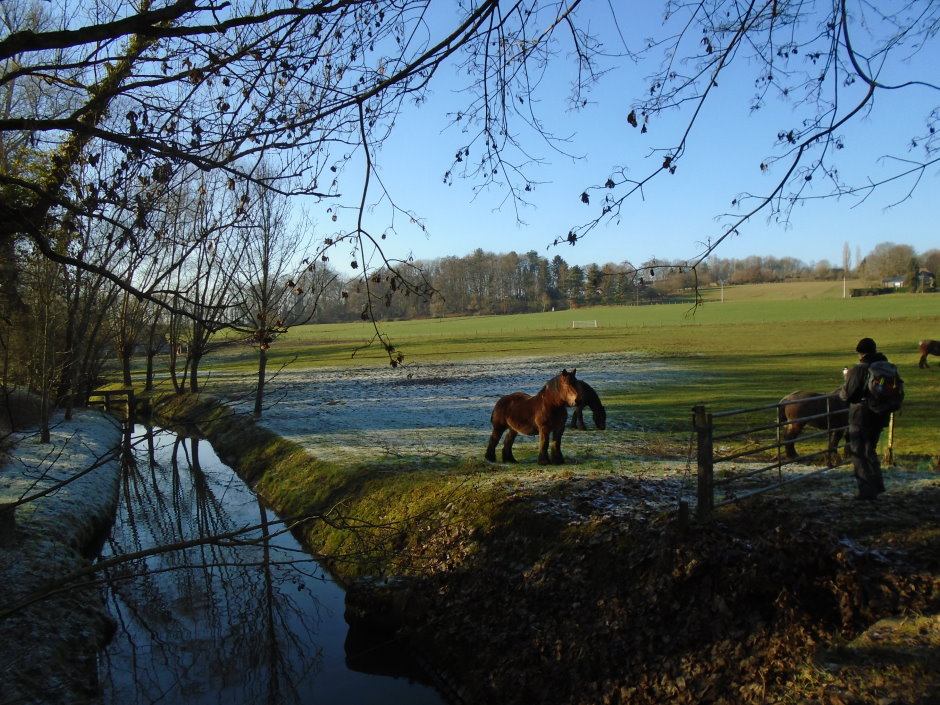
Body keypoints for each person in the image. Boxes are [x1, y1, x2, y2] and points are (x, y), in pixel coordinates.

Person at [838, 337, 896, 500]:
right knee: (870, 449)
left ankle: (866, 490)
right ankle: (878, 484)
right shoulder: (886, 366)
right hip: (881, 413)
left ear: (860, 353)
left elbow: (848, 395)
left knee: (858, 452)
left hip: (861, 415)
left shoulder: (860, 369)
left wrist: (846, 381)